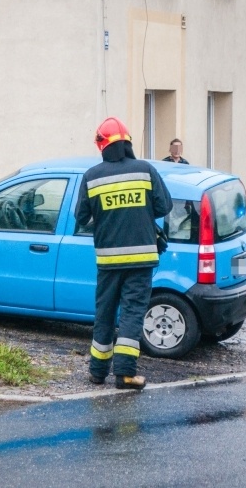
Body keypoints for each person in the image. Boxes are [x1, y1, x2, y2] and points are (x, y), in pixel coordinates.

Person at [75, 117, 172, 390]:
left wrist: (107, 220)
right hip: (141, 261)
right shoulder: (145, 170)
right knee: (131, 314)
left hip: (107, 261)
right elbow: (163, 206)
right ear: (128, 143)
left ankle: (97, 372)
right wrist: (138, 216)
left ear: (102, 146)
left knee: (104, 313)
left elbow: (81, 217)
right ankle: (125, 374)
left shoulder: (91, 176)